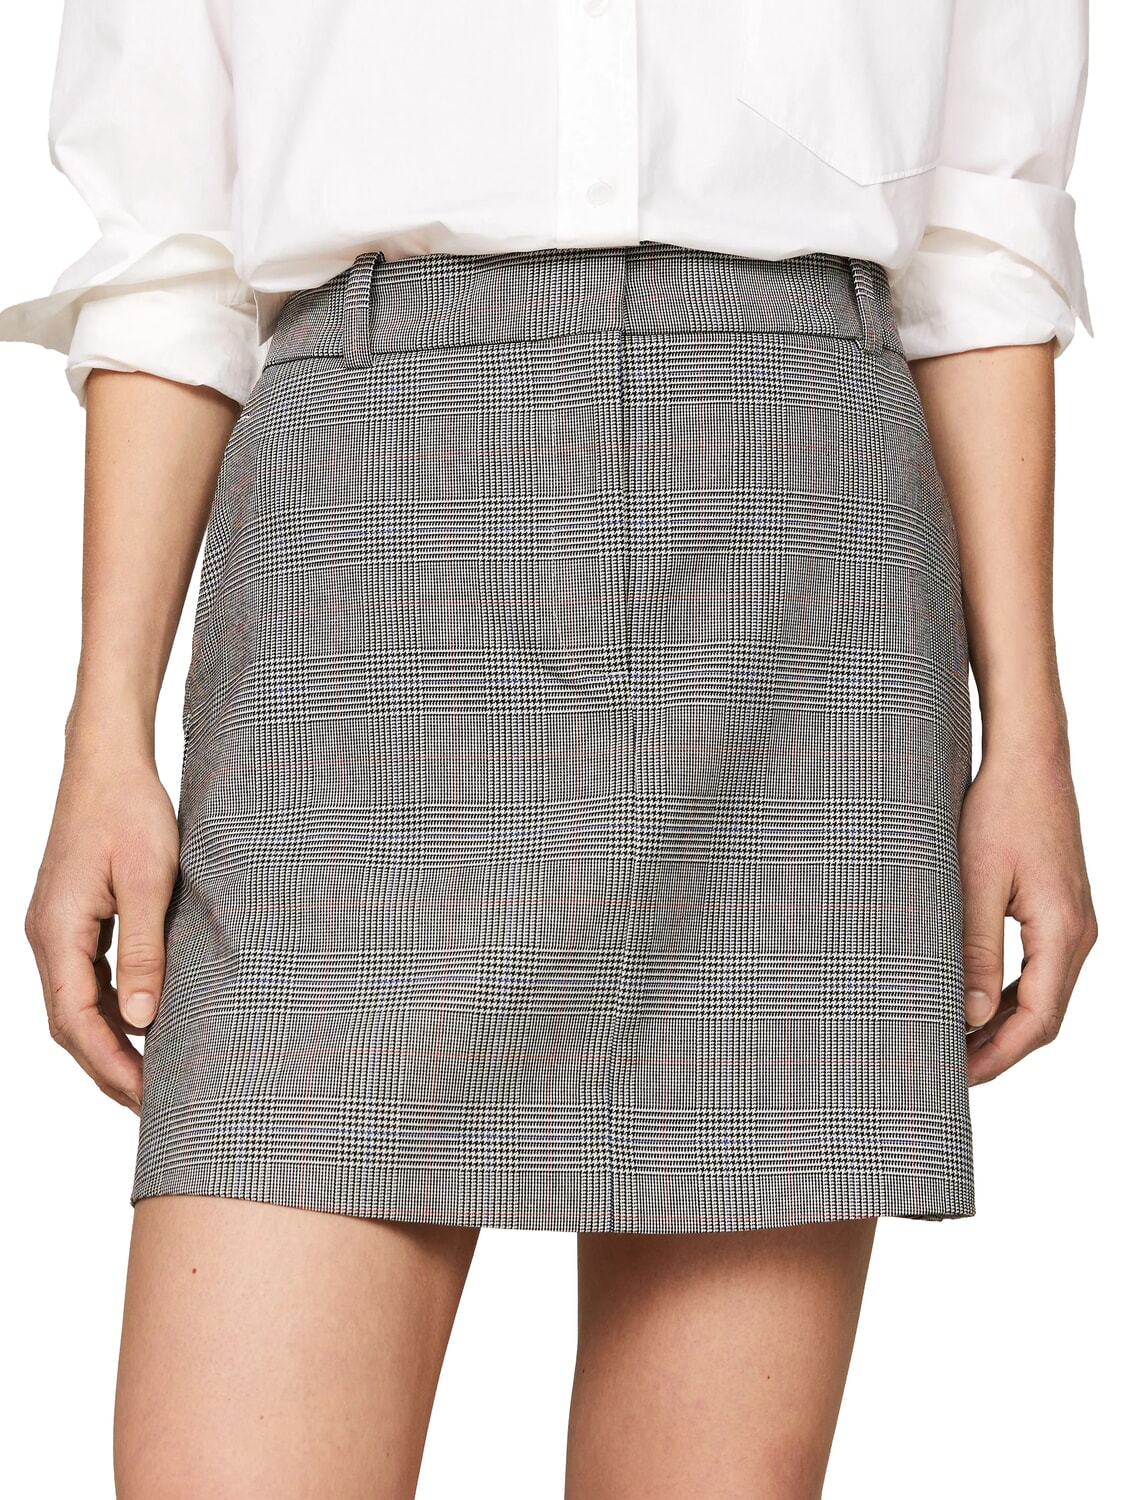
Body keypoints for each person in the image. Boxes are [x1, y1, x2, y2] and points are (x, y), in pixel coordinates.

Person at [0, 3, 1099, 1496]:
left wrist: (1027, 733)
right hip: (365, 549)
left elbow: (981, 248)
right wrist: (103, 737)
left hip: (795, 558)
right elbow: (167, 256)